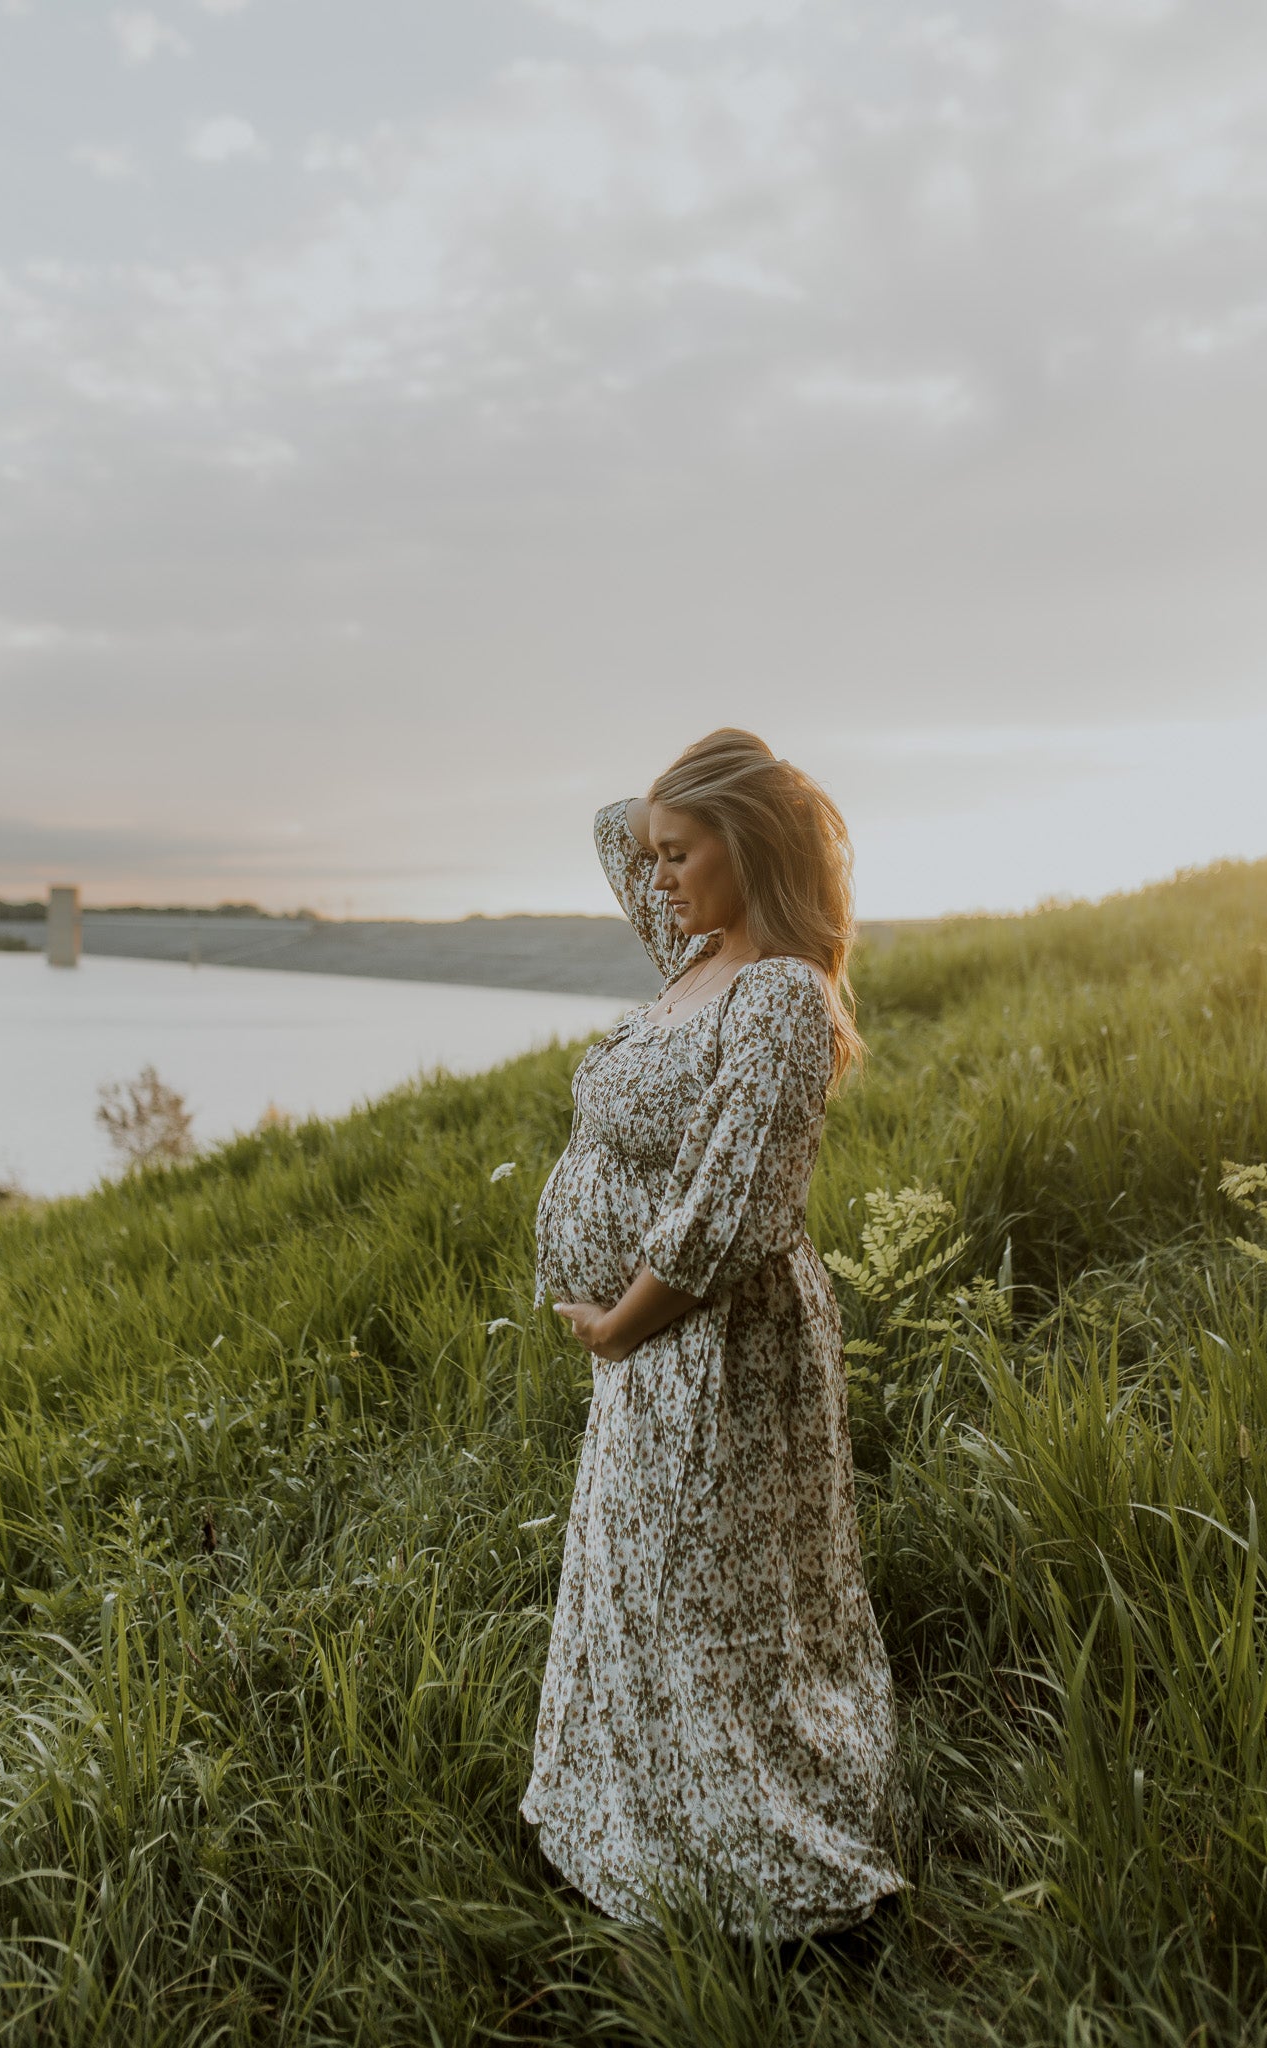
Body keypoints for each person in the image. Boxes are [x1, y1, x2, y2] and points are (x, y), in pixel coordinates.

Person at [520, 727, 906, 1941]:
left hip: (709, 1345)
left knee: (702, 1595)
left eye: (684, 853)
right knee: (639, 1587)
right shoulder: (691, 953)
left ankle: (761, 1871)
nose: (661, 874)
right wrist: (692, 804)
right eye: (661, 858)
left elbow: (735, 1209)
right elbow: (613, 827)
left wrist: (619, 1326)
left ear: (747, 847)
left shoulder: (779, 990)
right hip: (653, 1345)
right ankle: (623, 1821)